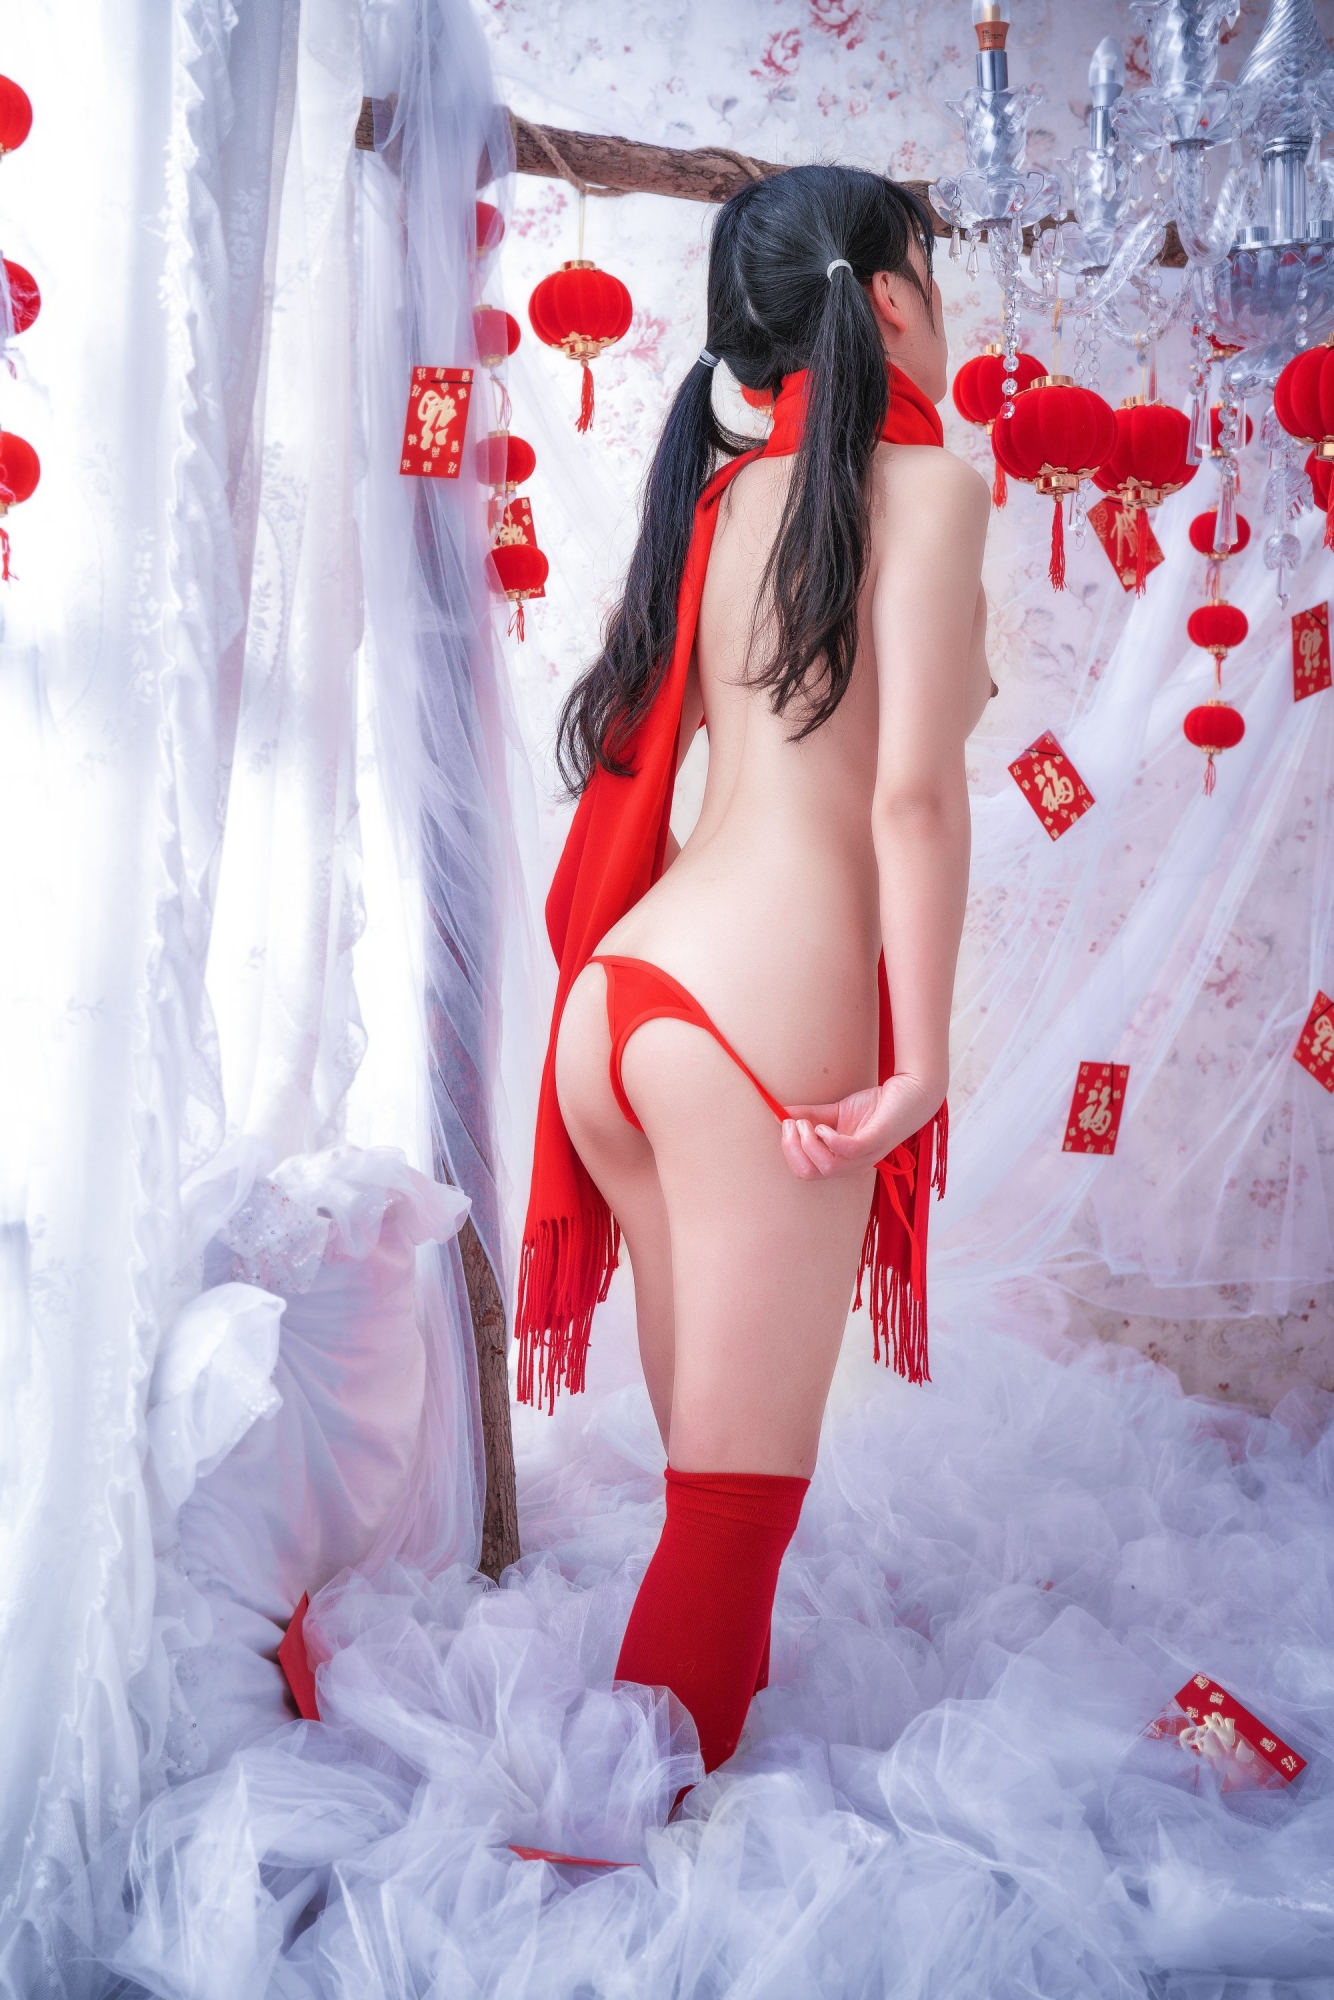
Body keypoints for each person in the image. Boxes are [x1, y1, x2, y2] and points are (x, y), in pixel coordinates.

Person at [519, 164, 992, 1777]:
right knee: (730, 1520)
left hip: (624, 1003)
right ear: (887, 300)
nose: (945, 308)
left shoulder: (721, 496)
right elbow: (910, 798)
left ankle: (668, 1789)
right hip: (754, 1023)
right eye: (936, 276)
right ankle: (600, 1871)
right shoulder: (926, 485)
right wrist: (919, 1064)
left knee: (704, 1499)